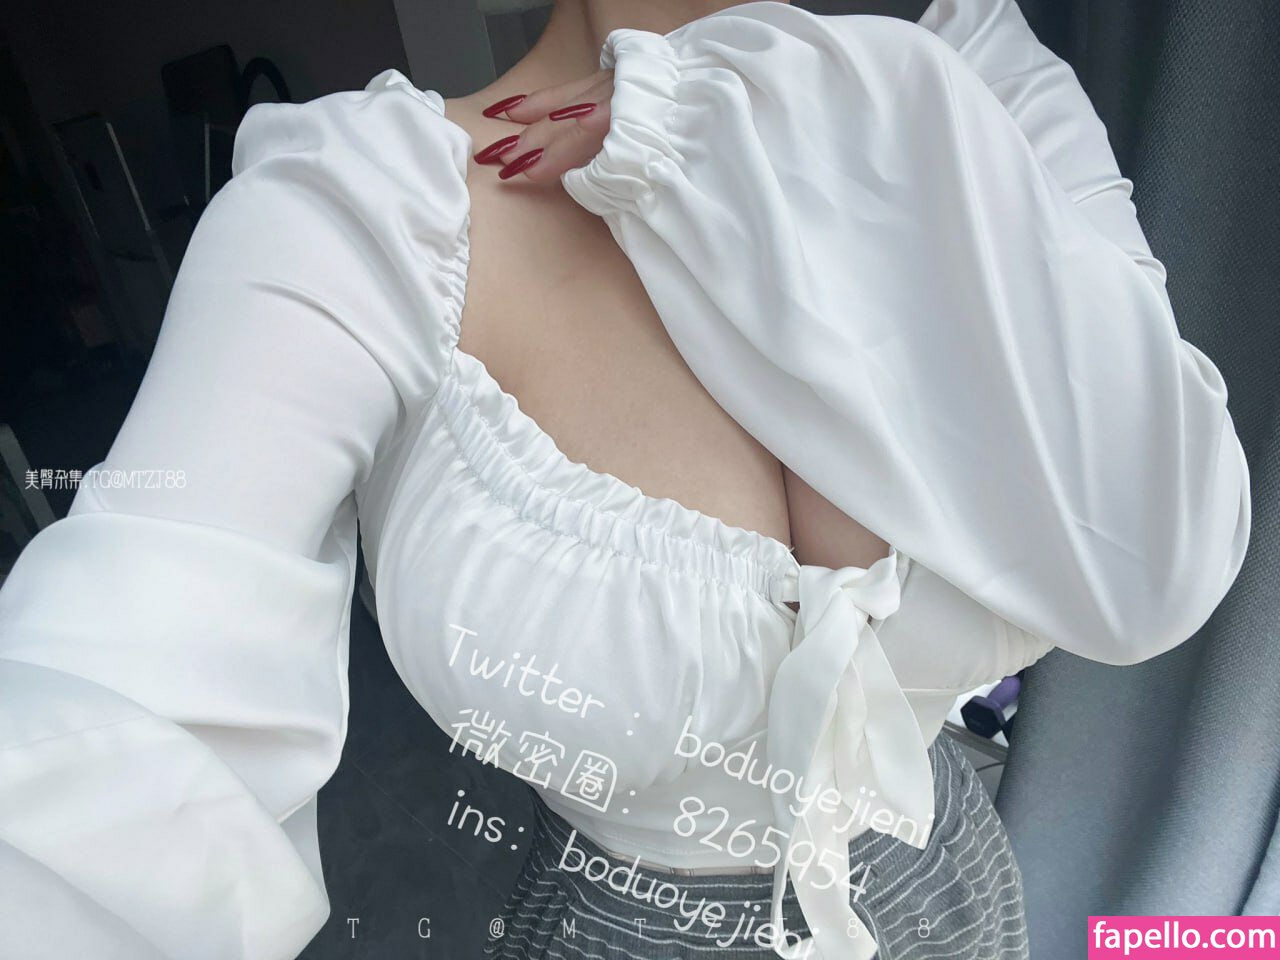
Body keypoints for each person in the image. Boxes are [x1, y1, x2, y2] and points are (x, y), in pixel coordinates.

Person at [0, 0, 1251, 958]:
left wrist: (813, 103)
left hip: (959, 896)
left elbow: (1156, 557)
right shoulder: (360, 210)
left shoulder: (979, 79)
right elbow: (111, 735)